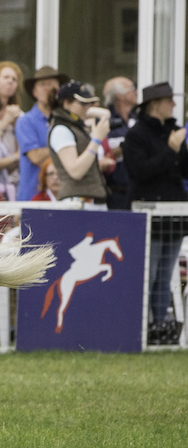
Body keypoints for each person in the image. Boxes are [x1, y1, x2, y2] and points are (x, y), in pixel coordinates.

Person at [122, 81, 188, 343]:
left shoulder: (173, 130)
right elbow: (139, 172)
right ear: (154, 104)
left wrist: (181, 152)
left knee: (165, 273)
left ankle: (159, 326)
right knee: (149, 273)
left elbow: (183, 171)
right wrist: (171, 151)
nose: (173, 104)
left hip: (173, 212)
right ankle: (142, 325)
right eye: (169, 100)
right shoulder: (136, 135)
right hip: (149, 212)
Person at [47, 81, 112, 210]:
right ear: (66, 103)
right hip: (77, 203)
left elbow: (106, 114)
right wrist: (96, 139)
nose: (87, 107)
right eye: (82, 103)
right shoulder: (61, 129)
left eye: (90, 103)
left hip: (91, 203)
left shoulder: (76, 125)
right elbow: (76, 171)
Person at [15, 66, 69, 200]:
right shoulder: (25, 121)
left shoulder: (67, 120)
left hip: (64, 197)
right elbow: (36, 157)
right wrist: (66, 148)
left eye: (51, 84)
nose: (47, 88)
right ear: (34, 92)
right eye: (42, 85)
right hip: (32, 196)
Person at [101, 76, 137, 210]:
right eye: (132, 89)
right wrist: (129, 144)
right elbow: (104, 154)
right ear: (120, 96)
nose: (136, 92)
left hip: (135, 191)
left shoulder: (137, 119)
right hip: (115, 192)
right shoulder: (105, 121)